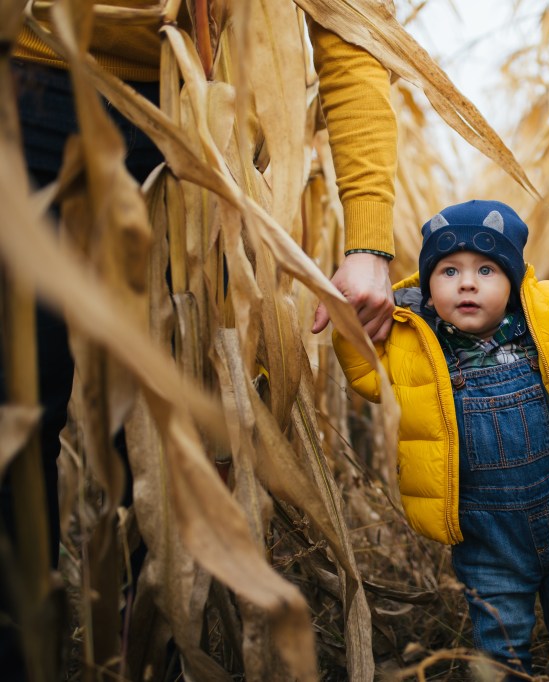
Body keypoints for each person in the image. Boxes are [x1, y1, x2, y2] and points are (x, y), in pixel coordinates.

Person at [1, 5, 398, 678]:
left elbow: (351, 28)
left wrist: (367, 239)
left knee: (166, 423)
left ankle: (151, 650)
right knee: (14, 410)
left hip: (179, 116)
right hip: (25, 84)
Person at [332, 199, 549, 679]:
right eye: (448, 270)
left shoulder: (544, 322)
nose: (467, 282)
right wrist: (349, 323)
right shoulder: (412, 347)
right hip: (484, 530)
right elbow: (367, 377)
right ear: (426, 285)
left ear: (514, 281)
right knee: (500, 634)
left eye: (486, 269)